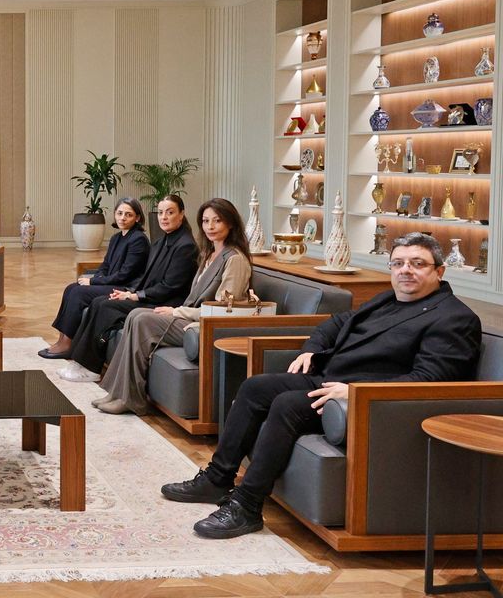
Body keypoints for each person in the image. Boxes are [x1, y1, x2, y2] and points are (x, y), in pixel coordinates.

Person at [160, 232, 481, 539]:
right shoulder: (386, 299)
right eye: (398, 263)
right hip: (329, 378)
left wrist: (355, 392)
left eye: (417, 263)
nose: (405, 270)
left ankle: (247, 506)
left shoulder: (454, 318)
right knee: (255, 387)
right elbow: (335, 322)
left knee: (287, 405)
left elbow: (430, 380)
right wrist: (311, 350)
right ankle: (217, 478)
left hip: (366, 402)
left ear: (439, 271)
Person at [95, 198, 252, 415]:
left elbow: (223, 310)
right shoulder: (209, 253)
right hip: (191, 317)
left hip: (206, 325)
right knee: (135, 315)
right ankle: (118, 393)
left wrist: (176, 311)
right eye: (206, 221)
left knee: (142, 319)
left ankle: (131, 399)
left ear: (231, 223)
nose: (210, 226)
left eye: (217, 221)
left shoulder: (234, 259)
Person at [66, 195, 199, 375]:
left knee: (105, 305)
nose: (164, 217)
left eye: (170, 212)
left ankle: (89, 368)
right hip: (149, 295)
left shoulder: (185, 246)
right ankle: (79, 361)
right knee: (99, 301)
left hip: (164, 303)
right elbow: (147, 277)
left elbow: (169, 286)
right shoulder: (162, 240)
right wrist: (128, 293)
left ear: (181, 214)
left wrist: (135, 295)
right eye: (160, 212)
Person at [40, 197, 150, 359]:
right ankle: (62, 339)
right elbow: (105, 265)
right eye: (119, 213)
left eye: (128, 214)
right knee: (71, 288)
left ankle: (68, 344)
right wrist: (96, 278)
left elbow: (125, 275)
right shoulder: (117, 238)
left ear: (138, 218)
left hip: (125, 288)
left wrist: (93, 281)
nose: (122, 218)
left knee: (79, 293)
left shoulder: (138, 239)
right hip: (112, 282)